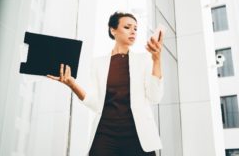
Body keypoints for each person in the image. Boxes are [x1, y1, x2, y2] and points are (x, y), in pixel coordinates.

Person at [47, 12, 164, 156]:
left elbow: (155, 97)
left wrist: (157, 59)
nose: (133, 31)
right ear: (113, 30)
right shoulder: (98, 64)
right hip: (105, 134)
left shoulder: (144, 60)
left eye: (135, 28)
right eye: (127, 27)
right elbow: (96, 103)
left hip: (138, 136)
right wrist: (72, 85)